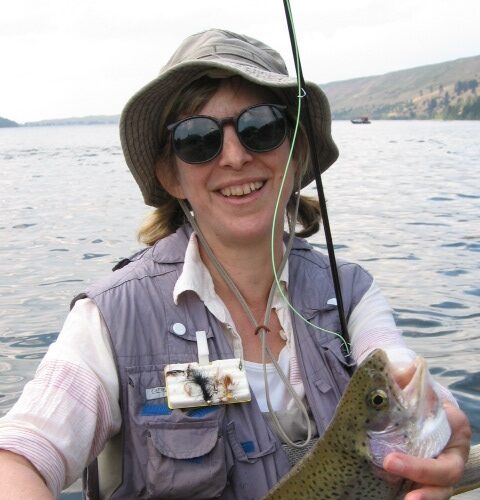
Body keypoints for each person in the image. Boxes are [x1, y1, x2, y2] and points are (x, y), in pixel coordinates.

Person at [0, 29, 471, 499]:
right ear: (171, 175)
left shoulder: (352, 292)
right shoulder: (109, 317)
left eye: (260, 127)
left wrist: (440, 415)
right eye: (197, 138)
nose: (235, 156)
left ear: (296, 150)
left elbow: (396, 366)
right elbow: (16, 458)